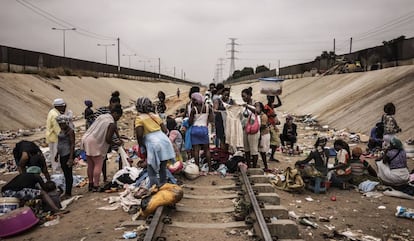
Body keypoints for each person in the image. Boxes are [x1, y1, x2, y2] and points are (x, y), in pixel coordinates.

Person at [135, 97, 175, 188]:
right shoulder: (156, 116)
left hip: (153, 143)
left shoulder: (139, 118)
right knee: (162, 168)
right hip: (164, 141)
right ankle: (163, 187)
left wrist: (141, 145)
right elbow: (165, 130)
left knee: (151, 170)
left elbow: (139, 134)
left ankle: (154, 189)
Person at [81, 104, 123, 192]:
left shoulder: (103, 116)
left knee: (90, 164)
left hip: (86, 138)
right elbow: (108, 139)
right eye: (118, 116)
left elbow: (114, 129)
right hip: (94, 141)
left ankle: (91, 184)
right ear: (115, 113)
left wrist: (119, 137)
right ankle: (96, 185)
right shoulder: (111, 123)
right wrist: (116, 142)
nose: (118, 119)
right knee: (98, 164)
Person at [1, 166, 66, 214]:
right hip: (14, 191)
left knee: (24, 199)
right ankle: (56, 210)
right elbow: (44, 189)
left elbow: (28, 192)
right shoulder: (36, 176)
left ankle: (23, 215)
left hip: (5, 192)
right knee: (43, 193)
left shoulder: (23, 176)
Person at [92, 91, 122, 181]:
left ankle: (120, 173)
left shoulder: (115, 112)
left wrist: (118, 137)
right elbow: (95, 122)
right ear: (111, 103)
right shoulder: (102, 110)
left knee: (121, 152)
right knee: (103, 158)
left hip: (111, 135)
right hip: (102, 137)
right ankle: (104, 177)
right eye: (115, 105)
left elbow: (114, 126)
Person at [189, 92, 214, 172]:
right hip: (204, 129)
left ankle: (197, 169)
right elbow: (211, 119)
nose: (192, 101)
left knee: (196, 150)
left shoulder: (194, 109)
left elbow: (190, 121)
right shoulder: (208, 108)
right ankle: (210, 168)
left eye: (193, 100)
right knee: (207, 149)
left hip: (195, 129)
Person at [55, 115, 75, 198]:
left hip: (67, 154)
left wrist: (71, 158)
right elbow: (60, 143)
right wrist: (57, 154)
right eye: (59, 124)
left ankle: (68, 192)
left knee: (68, 174)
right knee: (65, 173)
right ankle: (67, 191)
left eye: (62, 123)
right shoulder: (62, 130)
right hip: (62, 154)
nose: (61, 125)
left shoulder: (70, 131)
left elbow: (72, 144)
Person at [241, 87, 260, 168]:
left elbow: (258, 111)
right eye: (242, 96)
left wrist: (248, 106)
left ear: (249, 95)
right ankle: (249, 165)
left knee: (254, 149)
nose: (243, 98)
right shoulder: (244, 105)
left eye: (244, 96)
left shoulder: (256, 103)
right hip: (245, 129)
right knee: (246, 149)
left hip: (253, 130)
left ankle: (254, 167)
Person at [46, 98, 67, 173]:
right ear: (58, 106)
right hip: (56, 138)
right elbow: (57, 128)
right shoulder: (55, 115)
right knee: (56, 155)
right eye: (63, 106)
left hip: (51, 137)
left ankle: (56, 169)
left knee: (53, 154)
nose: (64, 108)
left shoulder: (52, 112)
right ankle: (57, 171)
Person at [264, 95, 282, 162]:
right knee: (275, 141)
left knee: (274, 142)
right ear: (268, 98)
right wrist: (272, 115)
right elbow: (264, 115)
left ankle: (271, 156)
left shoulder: (271, 106)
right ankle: (270, 155)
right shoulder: (266, 107)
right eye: (271, 98)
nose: (272, 99)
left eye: (273, 98)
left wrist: (277, 95)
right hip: (269, 125)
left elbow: (280, 104)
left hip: (273, 125)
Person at [257, 102, 271, 171]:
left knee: (262, 151)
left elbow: (263, 125)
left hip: (263, 135)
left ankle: (266, 166)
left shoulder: (263, 116)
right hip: (261, 134)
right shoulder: (259, 115)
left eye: (257, 107)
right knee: (260, 151)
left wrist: (256, 127)